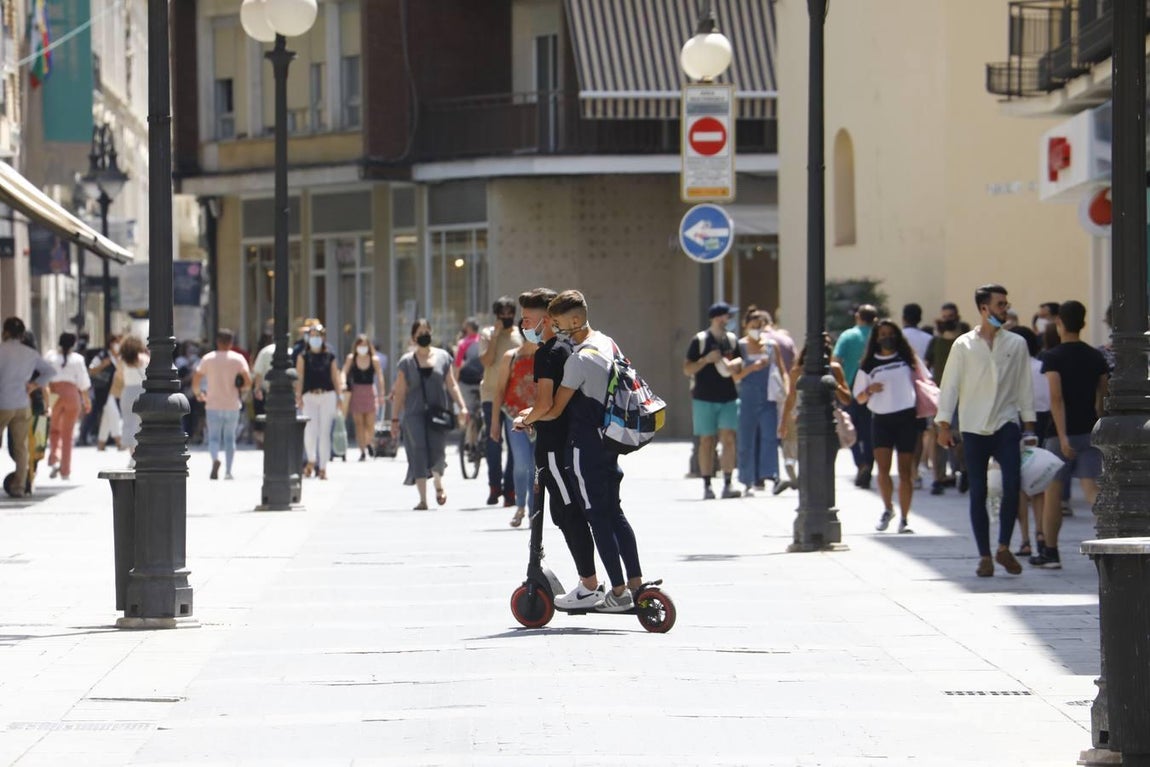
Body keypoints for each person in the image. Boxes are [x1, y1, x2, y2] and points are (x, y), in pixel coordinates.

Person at [539, 290, 644, 612]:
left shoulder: (579, 359)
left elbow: (555, 410)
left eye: (557, 323)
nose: (555, 330)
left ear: (574, 320)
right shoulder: (607, 343)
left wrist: (527, 418)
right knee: (616, 514)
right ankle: (637, 583)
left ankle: (617, 591)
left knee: (597, 518)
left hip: (585, 448)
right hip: (610, 441)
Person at [936, 284, 1036, 578]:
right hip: (973, 427)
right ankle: (984, 556)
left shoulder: (1016, 344)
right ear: (984, 309)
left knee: (1012, 485)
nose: (1005, 309)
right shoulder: (963, 345)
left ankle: (1004, 547)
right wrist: (944, 425)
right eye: (1000, 304)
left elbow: (1024, 387)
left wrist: (1029, 427)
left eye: (1006, 304)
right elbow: (950, 385)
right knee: (977, 490)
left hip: (1006, 424)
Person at [514, 288, 603, 609]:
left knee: (567, 513)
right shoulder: (566, 347)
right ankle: (588, 581)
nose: (522, 325)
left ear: (545, 320)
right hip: (567, 442)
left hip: (554, 446)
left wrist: (527, 416)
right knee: (564, 512)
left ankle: (590, 585)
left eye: (526, 319)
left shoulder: (549, 353)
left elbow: (546, 403)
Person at [1029, 300, 1109, 570]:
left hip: (1060, 434)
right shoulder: (1095, 356)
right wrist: (1097, 420)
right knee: (1090, 488)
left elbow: (1056, 398)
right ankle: (1110, 540)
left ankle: (1051, 552)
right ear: (1084, 323)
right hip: (1090, 430)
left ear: (1059, 323)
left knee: (1053, 493)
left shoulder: (1053, 357)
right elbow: (1102, 396)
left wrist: (1062, 436)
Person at [852, 320, 928, 534]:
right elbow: (858, 397)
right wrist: (870, 390)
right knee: (883, 470)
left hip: (906, 418)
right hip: (881, 420)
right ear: (876, 338)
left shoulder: (908, 359)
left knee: (905, 471)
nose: (887, 337)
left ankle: (905, 518)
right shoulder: (868, 365)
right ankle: (888, 508)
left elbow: (925, 381)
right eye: (882, 334)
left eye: (890, 333)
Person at [391, 319, 469, 510]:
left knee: (437, 449)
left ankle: (438, 482)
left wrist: (462, 406)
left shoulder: (443, 357)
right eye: (419, 332)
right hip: (413, 414)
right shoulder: (406, 362)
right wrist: (394, 419)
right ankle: (423, 499)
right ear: (413, 337)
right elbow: (400, 392)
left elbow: (451, 384)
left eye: (427, 331)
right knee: (418, 450)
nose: (424, 334)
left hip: (438, 413)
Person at [777, 335, 851, 493]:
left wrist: (834, 384)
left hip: (830, 421)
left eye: (827, 345)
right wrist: (783, 423)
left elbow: (847, 399)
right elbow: (791, 397)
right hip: (806, 422)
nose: (825, 349)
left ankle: (816, 492)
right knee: (807, 464)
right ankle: (801, 489)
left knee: (827, 465)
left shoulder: (835, 368)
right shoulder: (798, 370)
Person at [684, 301, 741, 500]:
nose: (730, 319)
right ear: (718, 318)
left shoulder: (732, 340)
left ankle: (727, 482)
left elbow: (739, 363)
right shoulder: (700, 340)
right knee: (706, 441)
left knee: (728, 440)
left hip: (728, 397)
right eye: (727, 315)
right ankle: (707, 484)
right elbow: (687, 369)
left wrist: (736, 363)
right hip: (703, 398)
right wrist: (705, 360)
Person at [731, 309, 788, 495]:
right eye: (752, 326)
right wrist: (752, 368)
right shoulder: (739, 347)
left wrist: (787, 390)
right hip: (747, 396)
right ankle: (747, 479)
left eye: (759, 326)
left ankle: (771, 475)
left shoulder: (772, 346)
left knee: (770, 437)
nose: (756, 329)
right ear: (745, 326)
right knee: (747, 438)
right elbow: (735, 376)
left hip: (768, 396)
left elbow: (782, 370)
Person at [491, 312, 539, 527]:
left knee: (536, 468)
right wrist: (494, 422)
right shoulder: (510, 357)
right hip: (516, 418)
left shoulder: (546, 356)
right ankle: (520, 505)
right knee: (522, 465)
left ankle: (532, 511)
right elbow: (499, 390)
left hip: (540, 418)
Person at [0, 317, 57, 496]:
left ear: (6, 332)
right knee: (21, 447)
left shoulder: (1, 351)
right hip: (23, 404)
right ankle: (19, 486)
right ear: (22, 334)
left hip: (3, 403)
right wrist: (34, 384)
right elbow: (50, 371)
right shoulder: (30, 353)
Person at [1009, 326, 1050, 560]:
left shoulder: (1011, 371)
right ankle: (1041, 534)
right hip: (1042, 426)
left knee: (1020, 487)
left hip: (1016, 426)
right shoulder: (1042, 368)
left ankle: (1024, 539)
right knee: (1039, 483)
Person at [192, 329, 252, 480]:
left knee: (213, 438)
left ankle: (215, 459)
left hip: (212, 403)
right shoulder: (238, 359)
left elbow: (196, 379)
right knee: (230, 439)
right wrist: (242, 388)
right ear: (231, 343)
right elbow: (248, 381)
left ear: (218, 342)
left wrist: (199, 394)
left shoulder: (208, 358)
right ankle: (228, 471)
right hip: (232, 404)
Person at [479, 297, 522, 506]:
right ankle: (494, 485)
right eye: (501, 313)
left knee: (516, 443)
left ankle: (510, 489)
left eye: (509, 313)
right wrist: (495, 336)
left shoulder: (520, 334)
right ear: (496, 315)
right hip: (490, 394)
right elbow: (486, 361)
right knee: (493, 442)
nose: (505, 317)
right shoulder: (487, 334)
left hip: (513, 395)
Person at [926, 303, 970, 495]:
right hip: (941, 394)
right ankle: (938, 477)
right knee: (938, 438)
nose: (948, 320)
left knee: (961, 437)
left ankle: (963, 470)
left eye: (950, 316)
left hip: (965, 394)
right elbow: (927, 365)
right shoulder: (935, 342)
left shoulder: (967, 340)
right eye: (945, 316)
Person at [834, 304, 878, 488]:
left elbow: (835, 361)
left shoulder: (848, 336)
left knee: (850, 429)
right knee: (870, 431)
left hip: (850, 389)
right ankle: (868, 463)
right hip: (874, 389)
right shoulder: (877, 336)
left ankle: (860, 463)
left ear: (858, 317)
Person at [294, 324, 341, 480]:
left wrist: (340, 397)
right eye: (312, 335)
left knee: (324, 432)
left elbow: (335, 377)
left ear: (323, 337)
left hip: (327, 395)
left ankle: (323, 467)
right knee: (309, 431)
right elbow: (299, 377)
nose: (315, 338)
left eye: (318, 335)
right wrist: (298, 396)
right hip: (309, 396)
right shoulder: (303, 356)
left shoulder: (330, 356)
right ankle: (311, 459)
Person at [44, 333, 92, 481]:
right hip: (72, 395)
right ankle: (65, 470)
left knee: (54, 430)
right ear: (73, 344)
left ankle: (54, 457)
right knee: (68, 433)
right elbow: (83, 383)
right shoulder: (78, 359)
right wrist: (87, 401)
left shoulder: (50, 357)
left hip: (54, 394)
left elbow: (43, 377)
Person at [342, 334, 387, 461]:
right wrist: (342, 383)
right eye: (360, 345)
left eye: (365, 345)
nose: (362, 347)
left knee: (370, 423)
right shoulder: (351, 358)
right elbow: (344, 372)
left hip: (369, 391)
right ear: (356, 346)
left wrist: (381, 394)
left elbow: (380, 376)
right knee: (359, 424)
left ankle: (368, 443)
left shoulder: (374, 359)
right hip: (356, 391)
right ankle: (362, 450)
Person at [113, 335, 149, 458]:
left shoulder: (122, 361)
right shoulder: (144, 358)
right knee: (141, 424)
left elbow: (119, 377)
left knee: (128, 423)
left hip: (127, 392)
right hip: (143, 391)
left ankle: (133, 456)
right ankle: (141, 453)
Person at [92, 336, 123, 450]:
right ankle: (119, 441)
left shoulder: (120, 357)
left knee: (107, 416)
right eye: (117, 342)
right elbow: (91, 369)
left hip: (114, 392)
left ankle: (101, 443)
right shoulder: (102, 355)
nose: (119, 345)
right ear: (111, 343)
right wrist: (103, 365)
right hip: (104, 392)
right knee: (114, 414)